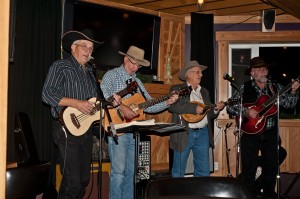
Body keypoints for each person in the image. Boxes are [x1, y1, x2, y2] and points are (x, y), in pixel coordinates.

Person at [42, 29, 120, 198]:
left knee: (83, 179)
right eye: (84, 46)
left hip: (84, 130)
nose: (89, 51)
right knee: (73, 181)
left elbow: (94, 103)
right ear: (73, 48)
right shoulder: (61, 66)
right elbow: (47, 94)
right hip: (65, 128)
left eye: (91, 48)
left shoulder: (90, 73)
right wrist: (76, 103)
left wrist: (109, 102)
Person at [100, 45, 178, 199]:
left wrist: (168, 102)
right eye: (133, 63)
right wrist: (122, 107)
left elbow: (150, 105)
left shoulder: (138, 82)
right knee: (118, 173)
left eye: (138, 65)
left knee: (131, 173)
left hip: (133, 133)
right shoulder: (112, 75)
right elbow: (104, 95)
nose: (135, 68)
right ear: (125, 59)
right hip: (118, 130)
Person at [226, 56, 300, 199]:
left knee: (272, 166)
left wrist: (293, 91)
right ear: (252, 73)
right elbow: (230, 106)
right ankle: (247, 194)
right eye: (259, 70)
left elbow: (289, 105)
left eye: (265, 69)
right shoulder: (244, 87)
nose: (264, 72)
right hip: (249, 132)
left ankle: (268, 194)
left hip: (270, 132)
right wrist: (245, 111)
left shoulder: (275, 87)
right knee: (248, 167)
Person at [168, 60, 225, 177]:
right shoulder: (177, 89)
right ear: (188, 74)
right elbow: (173, 106)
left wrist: (216, 109)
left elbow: (209, 114)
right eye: (198, 72)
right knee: (178, 170)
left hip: (203, 133)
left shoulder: (204, 91)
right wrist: (194, 108)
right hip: (184, 133)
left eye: (201, 72)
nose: (201, 75)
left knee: (204, 170)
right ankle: (176, 195)